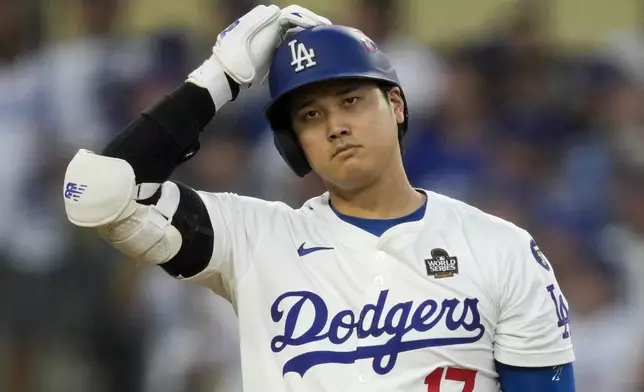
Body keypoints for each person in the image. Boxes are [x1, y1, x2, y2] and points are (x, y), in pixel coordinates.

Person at [62, 4, 576, 391]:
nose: (335, 126)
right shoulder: (255, 238)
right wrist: (219, 77)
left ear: (395, 103)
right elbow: (95, 195)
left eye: (350, 100)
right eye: (310, 115)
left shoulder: (501, 248)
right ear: (294, 143)